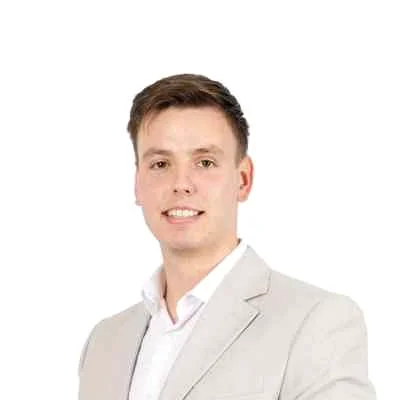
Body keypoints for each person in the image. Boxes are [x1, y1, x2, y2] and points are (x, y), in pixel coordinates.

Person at [78, 74, 376, 400]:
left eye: (205, 162)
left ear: (243, 179)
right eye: (160, 164)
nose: (181, 184)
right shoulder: (104, 343)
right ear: (138, 184)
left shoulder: (316, 323)